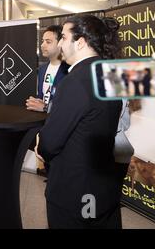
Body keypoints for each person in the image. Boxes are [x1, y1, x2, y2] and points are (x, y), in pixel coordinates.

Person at [36, 15, 123, 229]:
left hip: (75, 190)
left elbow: (50, 143)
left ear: (81, 42)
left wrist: (40, 142)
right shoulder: (112, 74)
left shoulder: (74, 81)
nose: (61, 43)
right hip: (103, 187)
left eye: (64, 38)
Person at [26, 25, 68, 177]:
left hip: (62, 133)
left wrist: (45, 107)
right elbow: (43, 94)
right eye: (43, 41)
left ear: (60, 43)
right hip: (45, 130)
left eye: (48, 41)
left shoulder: (69, 70)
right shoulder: (43, 69)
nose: (42, 45)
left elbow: (70, 105)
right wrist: (36, 102)